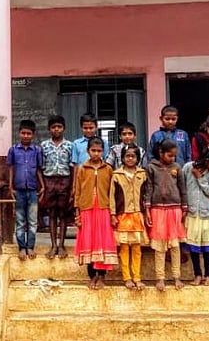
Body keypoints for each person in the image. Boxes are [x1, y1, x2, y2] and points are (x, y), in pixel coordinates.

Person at [142, 139, 188, 292]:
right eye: (169, 155)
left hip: (175, 208)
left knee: (175, 246)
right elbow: (148, 189)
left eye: (174, 156)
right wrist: (147, 209)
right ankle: (160, 278)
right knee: (160, 247)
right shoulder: (151, 167)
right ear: (161, 153)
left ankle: (176, 276)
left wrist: (184, 207)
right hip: (157, 210)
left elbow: (183, 188)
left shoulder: (177, 168)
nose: (172, 159)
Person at [73, 137, 118, 290]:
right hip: (87, 210)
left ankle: (101, 277)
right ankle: (92, 276)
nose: (96, 153)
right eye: (93, 150)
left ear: (103, 152)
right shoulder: (82, 169)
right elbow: (77, 191)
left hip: (104, 210)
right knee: (90, 243)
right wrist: (77, 212)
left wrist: (113, 213)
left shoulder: (108, 169)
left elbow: (112, 193)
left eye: (99, 151)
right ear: (88, 151)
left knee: (103, 243)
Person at [183, 146, 209, 286]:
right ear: (207, 160)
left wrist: (200, 177)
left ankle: (208, 275)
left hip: (206, 213)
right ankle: (197, 275)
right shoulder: (188, 167)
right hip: (192, 213)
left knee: (207, 247)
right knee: (194, 247)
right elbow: (182, 187)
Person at [109, 144, 149, 289]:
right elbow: (111, 197)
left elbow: (146, 195)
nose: (130, 159)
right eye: (127, 156)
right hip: (123, 215)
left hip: (138, 215)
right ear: (122, 158)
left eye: (133, 156)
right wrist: (113, 214)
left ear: (138, 158)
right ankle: (127, 277)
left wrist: (147, 213)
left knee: (137, 249)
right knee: (124, 248)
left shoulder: (142, 174)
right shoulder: (116, 175)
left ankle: (137, 277)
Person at [7, 119, 45, 261]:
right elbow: (11, 168)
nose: (26, 136)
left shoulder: (37, 151)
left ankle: (30, 246)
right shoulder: (13, 150)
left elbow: (39, 170)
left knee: (33, 220)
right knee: (20, 220)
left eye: (29, 133)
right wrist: (11, 187)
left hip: (33, 190)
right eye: (23, 133)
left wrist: (43, 186)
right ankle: (21, 247)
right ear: (19, 133)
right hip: (19, 190)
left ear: (33, 135)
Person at [40, 115, 74, 259]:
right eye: (54, 127)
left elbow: (72, 167)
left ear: (64, 128)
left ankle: (62, 245)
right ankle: (53, 245)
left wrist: (72, 186)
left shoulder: (69, 146)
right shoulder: (44, 146)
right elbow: (41, 167)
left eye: (59, 127)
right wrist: (42, 186)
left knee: (63, 215)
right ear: (49, 129)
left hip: (64, 182)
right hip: (49, 181)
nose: (56, 130)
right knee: (52, 214)